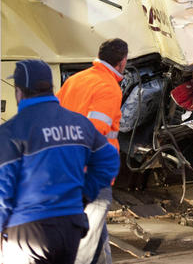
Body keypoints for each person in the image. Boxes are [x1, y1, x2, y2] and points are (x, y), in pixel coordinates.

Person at [0, 59, 119, 264]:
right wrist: (85, 194)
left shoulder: (13, 130)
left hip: (28, 230)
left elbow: (4, 188)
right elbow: (109, 159)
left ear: (19, 91)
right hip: (70, 227)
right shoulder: (79, 123)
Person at [57, 38, 128, 264]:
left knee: (90, 231)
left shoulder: (76, 80)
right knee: (90, 236)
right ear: (122, 62)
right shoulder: (109, 88)